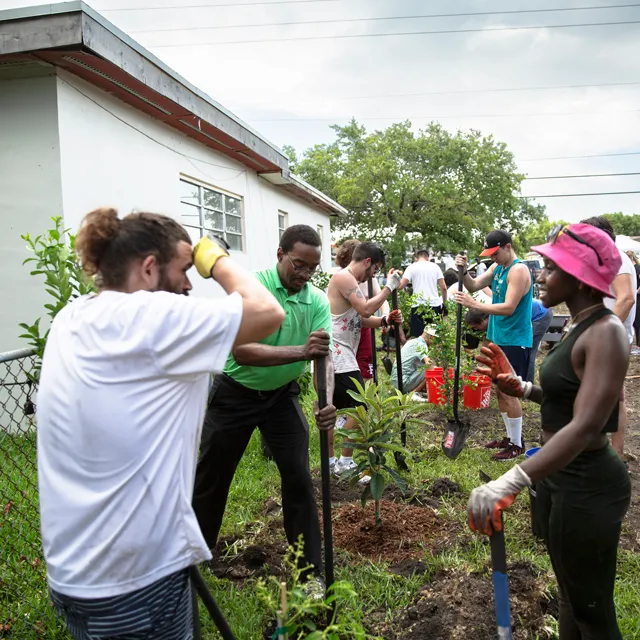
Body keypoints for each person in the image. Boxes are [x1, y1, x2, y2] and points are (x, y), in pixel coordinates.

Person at [36, 208, 285, 639]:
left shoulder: (71, 318)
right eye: (185, 270)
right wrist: (214, 258)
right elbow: (266, 311)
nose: (190, 284)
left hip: (74, 574)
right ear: (149, 268)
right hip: (136, 579)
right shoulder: (151, 318)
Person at [467, 223, 631, 640]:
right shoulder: (578, 325)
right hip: (563, 477)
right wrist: (522, 388)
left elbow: (587, 424)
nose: (540, 275)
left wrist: (515, 477)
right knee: (569, 597)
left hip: (589, 483)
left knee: (591, 609)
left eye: (551, 269)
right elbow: (570, 400)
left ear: (578, 277)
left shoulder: (607, 333)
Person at [192, 225, 336, 598]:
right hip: (235, 393)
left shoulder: (316, 301)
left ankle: (309, 574)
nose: (304, 275)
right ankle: (192, 559)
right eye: (298, 265)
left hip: (280, 397)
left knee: (300, 480)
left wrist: (326, 401)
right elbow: (242, 351)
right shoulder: (253, 288)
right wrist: (301, 352)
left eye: (312, 269)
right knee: (212, 477)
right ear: (280, 254)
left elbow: (326, 357)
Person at [453, 230, 533, 459]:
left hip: (515, 339)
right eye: (490, 254)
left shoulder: (518, 271)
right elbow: (473, 285)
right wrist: (464, 270)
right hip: (499, 338)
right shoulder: (497, 268)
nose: (493, 257)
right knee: (500, 391)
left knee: (510, 393)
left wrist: (472, 303)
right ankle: (510, 437)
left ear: (507, 246)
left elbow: (509, 307)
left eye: (495, 253)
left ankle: (517, 445)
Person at [327, 242, 402, 477]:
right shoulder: (344, 277)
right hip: (337, 352)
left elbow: (359, 320)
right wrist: (389, 287)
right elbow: (366, 309)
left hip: (343, 350)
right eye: (375, 270)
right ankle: (343, 462)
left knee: (333, 408)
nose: (373, 275)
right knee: (359, 405)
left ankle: (331, 462)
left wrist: (385, 321)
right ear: (367, 261)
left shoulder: (352, 281)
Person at [581, 216, 636, 463]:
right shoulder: (605, 261)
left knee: (611, 399)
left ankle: (614, 456)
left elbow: (626, 299)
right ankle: (607, 453)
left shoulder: (619, 261)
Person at [465, 298, 553, 384]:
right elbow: (487, 344)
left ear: (482, 321)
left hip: (540, 314)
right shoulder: (491, 317)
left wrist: (480, 367)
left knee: (527, 349)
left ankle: (527, 383)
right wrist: (479, 368)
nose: (477, 330)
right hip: (527, 313)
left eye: (476, 327)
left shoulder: (497, 318)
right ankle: (514, 378)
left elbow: (489, 343)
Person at [399, 249, 447, 337]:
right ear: (428, 258)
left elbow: (400, 286)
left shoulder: (412, 267)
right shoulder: (435, 267)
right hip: (434, 305)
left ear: (416, 258)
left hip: (418, 306)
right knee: (434, 337)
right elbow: (443, 288)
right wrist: (444, 303)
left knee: (419, 337)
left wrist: (394, 277)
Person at [390, 326, 437, 400]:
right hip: (403, 383)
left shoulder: (412, 341)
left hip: (396, 381)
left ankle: (418, 390)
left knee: (426, 366)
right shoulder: (421, 345)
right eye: (435, 339)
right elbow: (429, 364)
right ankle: (413, 394)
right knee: (431, 368)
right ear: (431, 337)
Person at [626, 250, 640, 346]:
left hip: (638, 297)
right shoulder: (632, 268)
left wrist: (636, 291)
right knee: (635, 322)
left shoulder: (638, 268)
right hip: (635, 296)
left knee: (638, 321)